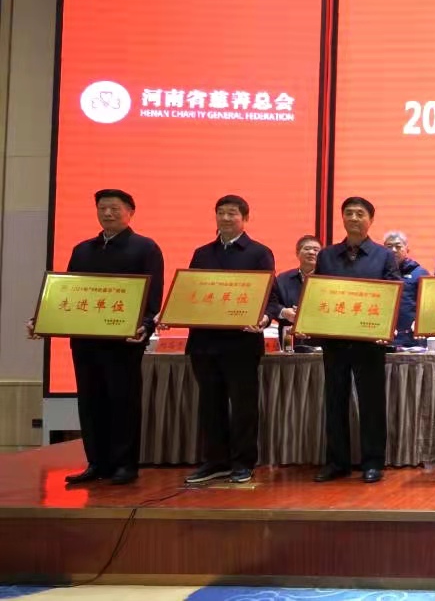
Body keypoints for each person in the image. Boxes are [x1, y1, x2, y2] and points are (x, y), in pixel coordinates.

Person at [27, 189, 164, 486]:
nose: (108, 213)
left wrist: (145, 326)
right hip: (85, 341)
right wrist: (42, 319)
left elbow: (152, 297)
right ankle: (96, 463)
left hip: (123, 343)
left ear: (130, 212)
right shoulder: (82, 250)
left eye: (114, 208)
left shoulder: (145, 248)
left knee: (122, 401)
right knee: (90, 402)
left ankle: (125, 464)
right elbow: (68, 293)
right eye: (102, 208)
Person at [180, 195, 278, 485]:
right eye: (220, 212)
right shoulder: (202, 253)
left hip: (241, 343)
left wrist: (264, 319)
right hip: (204, 342)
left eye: (232, 213)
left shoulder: (259, 253)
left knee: (243, 405)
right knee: (210, 404)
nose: (225, 218)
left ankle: (243, 462)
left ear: (245, 219)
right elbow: (191, 292)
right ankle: (216, 461)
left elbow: (270, 298)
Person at [307, 197, 399, 484]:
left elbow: (393, 294)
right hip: (335, 341)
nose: (354, 218)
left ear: (370, 220)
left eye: (360, 214)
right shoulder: (327, 256)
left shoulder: (384, 256)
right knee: (335, 401)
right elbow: (318, 293)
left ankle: (373, 462)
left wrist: (386, 328)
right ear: (342, 218)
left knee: (371, 403)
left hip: (369, 341)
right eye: (349, 213)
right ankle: (337, 462)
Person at [272, 235, 321, 352]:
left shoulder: (328, 279)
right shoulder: (283, 279)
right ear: (297, 253)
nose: (311, 252)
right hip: (290, 339)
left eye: (316, 250)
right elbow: (271, 304)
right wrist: (284, 312)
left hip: (321, 341)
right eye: (307, 248)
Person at [383, 231, 429, 349]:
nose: (393, 250)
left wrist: (421, 322)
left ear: (407, 249)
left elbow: (430, 305)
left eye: (398, 246)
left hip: (413, 339)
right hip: (383, 338)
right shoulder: (378, 273)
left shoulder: (420, 273)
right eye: (389, 246)